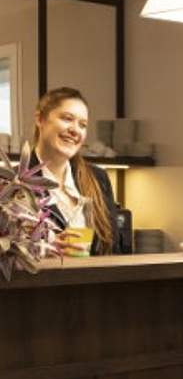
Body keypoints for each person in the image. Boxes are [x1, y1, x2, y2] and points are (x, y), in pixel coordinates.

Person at [30, 87, 120, 255]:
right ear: (40, 119)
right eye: (67, 118)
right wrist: (41, 250)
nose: (75, 130)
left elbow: (114, 250)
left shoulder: (98, 178)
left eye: (82, 125)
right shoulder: (12, 182)